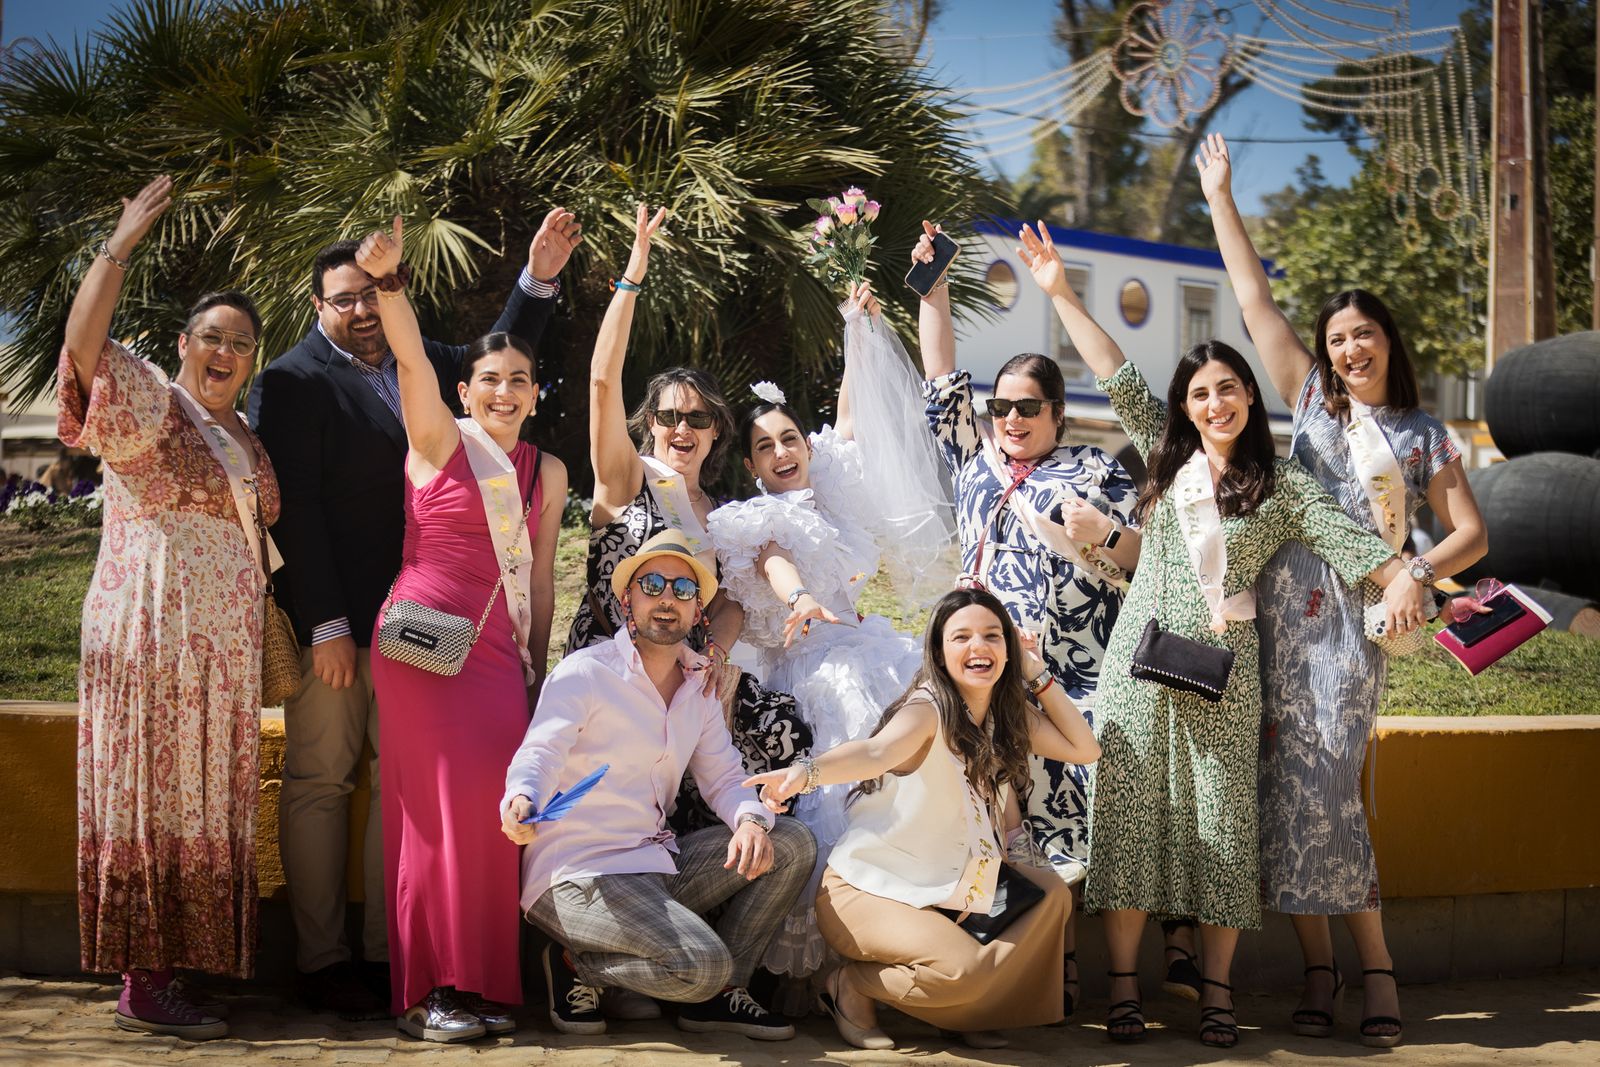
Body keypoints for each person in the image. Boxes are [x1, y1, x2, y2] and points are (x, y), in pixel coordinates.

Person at [1013, 220, 1415, 1049]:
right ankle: (1126, 989)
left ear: (1249, 397)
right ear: (1185, 408)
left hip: (1226, 677)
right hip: (1140, 666)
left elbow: (1351, 545)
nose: (1215, 403)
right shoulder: (1167, 461)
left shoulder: (1283, 486)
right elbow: (1114, 370)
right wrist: (1060, 292)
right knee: (1130, 822)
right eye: (1199, 394)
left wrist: (1408, 577)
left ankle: (1218, 993)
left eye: (1227, 388)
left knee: (1224, 829)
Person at [247, 204, 580, 1018]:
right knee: (326, 780)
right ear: (318, 304)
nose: (364, 307)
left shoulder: (445, 376)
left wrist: (538, 276)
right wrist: (325, 622)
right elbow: (295, 512)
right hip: (353, 623)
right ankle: (325, 960)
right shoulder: (292, 381)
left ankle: (389, 955)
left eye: (374, 293)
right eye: (347, 296)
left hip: (446, 634)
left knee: (410, 795)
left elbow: (497, 361)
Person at [1197, 133, 1487, 1048]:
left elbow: (1472, 534)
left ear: (1388, 339)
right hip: (1273, 618)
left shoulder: (1427, 434)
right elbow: (1254, 300)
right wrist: (1220, 197)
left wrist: (1416, 573)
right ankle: (1319, 971)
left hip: (1355, 631)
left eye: (1363, 333)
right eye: (1336, 338)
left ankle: (1378, 970)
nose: (1349, 347)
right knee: (1279, 793)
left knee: (1327, 791)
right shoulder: (1316, 403)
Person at [914, 219, 1184, 1013]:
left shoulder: (1093, 468)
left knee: (1104, 785)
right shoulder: (974, 463)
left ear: (1058, 411)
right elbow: (940, 375)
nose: (1010, 417)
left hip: (1075, 676)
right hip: (981, 671)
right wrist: (933, 285)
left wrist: (1100, 531)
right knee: (999, 819)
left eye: (1027, 406)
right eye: (1001, 405)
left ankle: (1150, 949)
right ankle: (1043, 969)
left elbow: (1146, 559)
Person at [58, 176, 278, 1040]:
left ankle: (174, 972)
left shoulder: (245, 436)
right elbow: (83, 352)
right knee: (152, 798)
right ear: (184, 343)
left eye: (242, 343)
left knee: (199, 805)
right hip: (153, 636)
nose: (226, 352)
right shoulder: (151, 402)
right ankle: (141, 982)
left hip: (219, 659)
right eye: (212, 336)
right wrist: (118, 246)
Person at [348, 219, 565, 1041]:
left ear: (535, 392)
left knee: (491, 817)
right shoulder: (439, 440)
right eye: (489, 380)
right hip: (423, 648)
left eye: (519, 380)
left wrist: (536, 668)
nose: (504, 392)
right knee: (432, 817)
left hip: (499, 657)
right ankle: (429, 990)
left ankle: (480, 981)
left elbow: (539, 580)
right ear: (465, 392)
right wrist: (390, 282)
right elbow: (409, 357)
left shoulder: (547, 471)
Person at [746, 587, 1101, 1050]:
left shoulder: (1005, 713)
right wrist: (805, 773)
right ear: (938, 650)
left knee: (1049, 895)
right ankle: (852, 986)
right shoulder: (927, 708)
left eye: (992, 636)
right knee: (963, 969)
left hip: (952, 890)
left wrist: (1034, 671)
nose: (979, 647)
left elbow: (1083, 749)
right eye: (961, 637)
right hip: (870, 892)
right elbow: (875, 753)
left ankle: (959, 1009)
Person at [705, 288, 940, 976]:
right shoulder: (755, 518)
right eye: (764, 447)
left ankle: (905, 925)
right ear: (751, 466)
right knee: (847, 777)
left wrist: (857, 331)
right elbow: (774, 561)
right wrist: (801, 596)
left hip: (868, 641)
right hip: (815, 665)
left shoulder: (830, 491)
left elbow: (850, 416)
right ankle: (840, 959)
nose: (781, 452)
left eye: (789, 439)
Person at [502, 530, 816, 1041]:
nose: (667, 598)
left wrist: (750, 821)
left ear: (697, 612)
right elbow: (541, 751)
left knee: (790, 842)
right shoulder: (586, 673)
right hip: (578, 874)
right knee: (702, 964)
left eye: (683, 589)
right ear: (629, 600)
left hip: (654, 863)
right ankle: (575, 965)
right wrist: (523, 797)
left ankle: (720, 995)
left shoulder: (699, 687)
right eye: (652, 585)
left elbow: (725, 779)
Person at [570, 204, 812, 848]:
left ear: (716, 432)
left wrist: (717, 659)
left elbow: (729, 601)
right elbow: (601, 381)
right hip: (615, 669)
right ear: (649, 424)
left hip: (690, 677)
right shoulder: (627, 479)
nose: (682, 429)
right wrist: (632, 277)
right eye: (669, 417)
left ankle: (733, 875)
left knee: (785, 734)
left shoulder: (726, 515)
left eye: (698, 419)